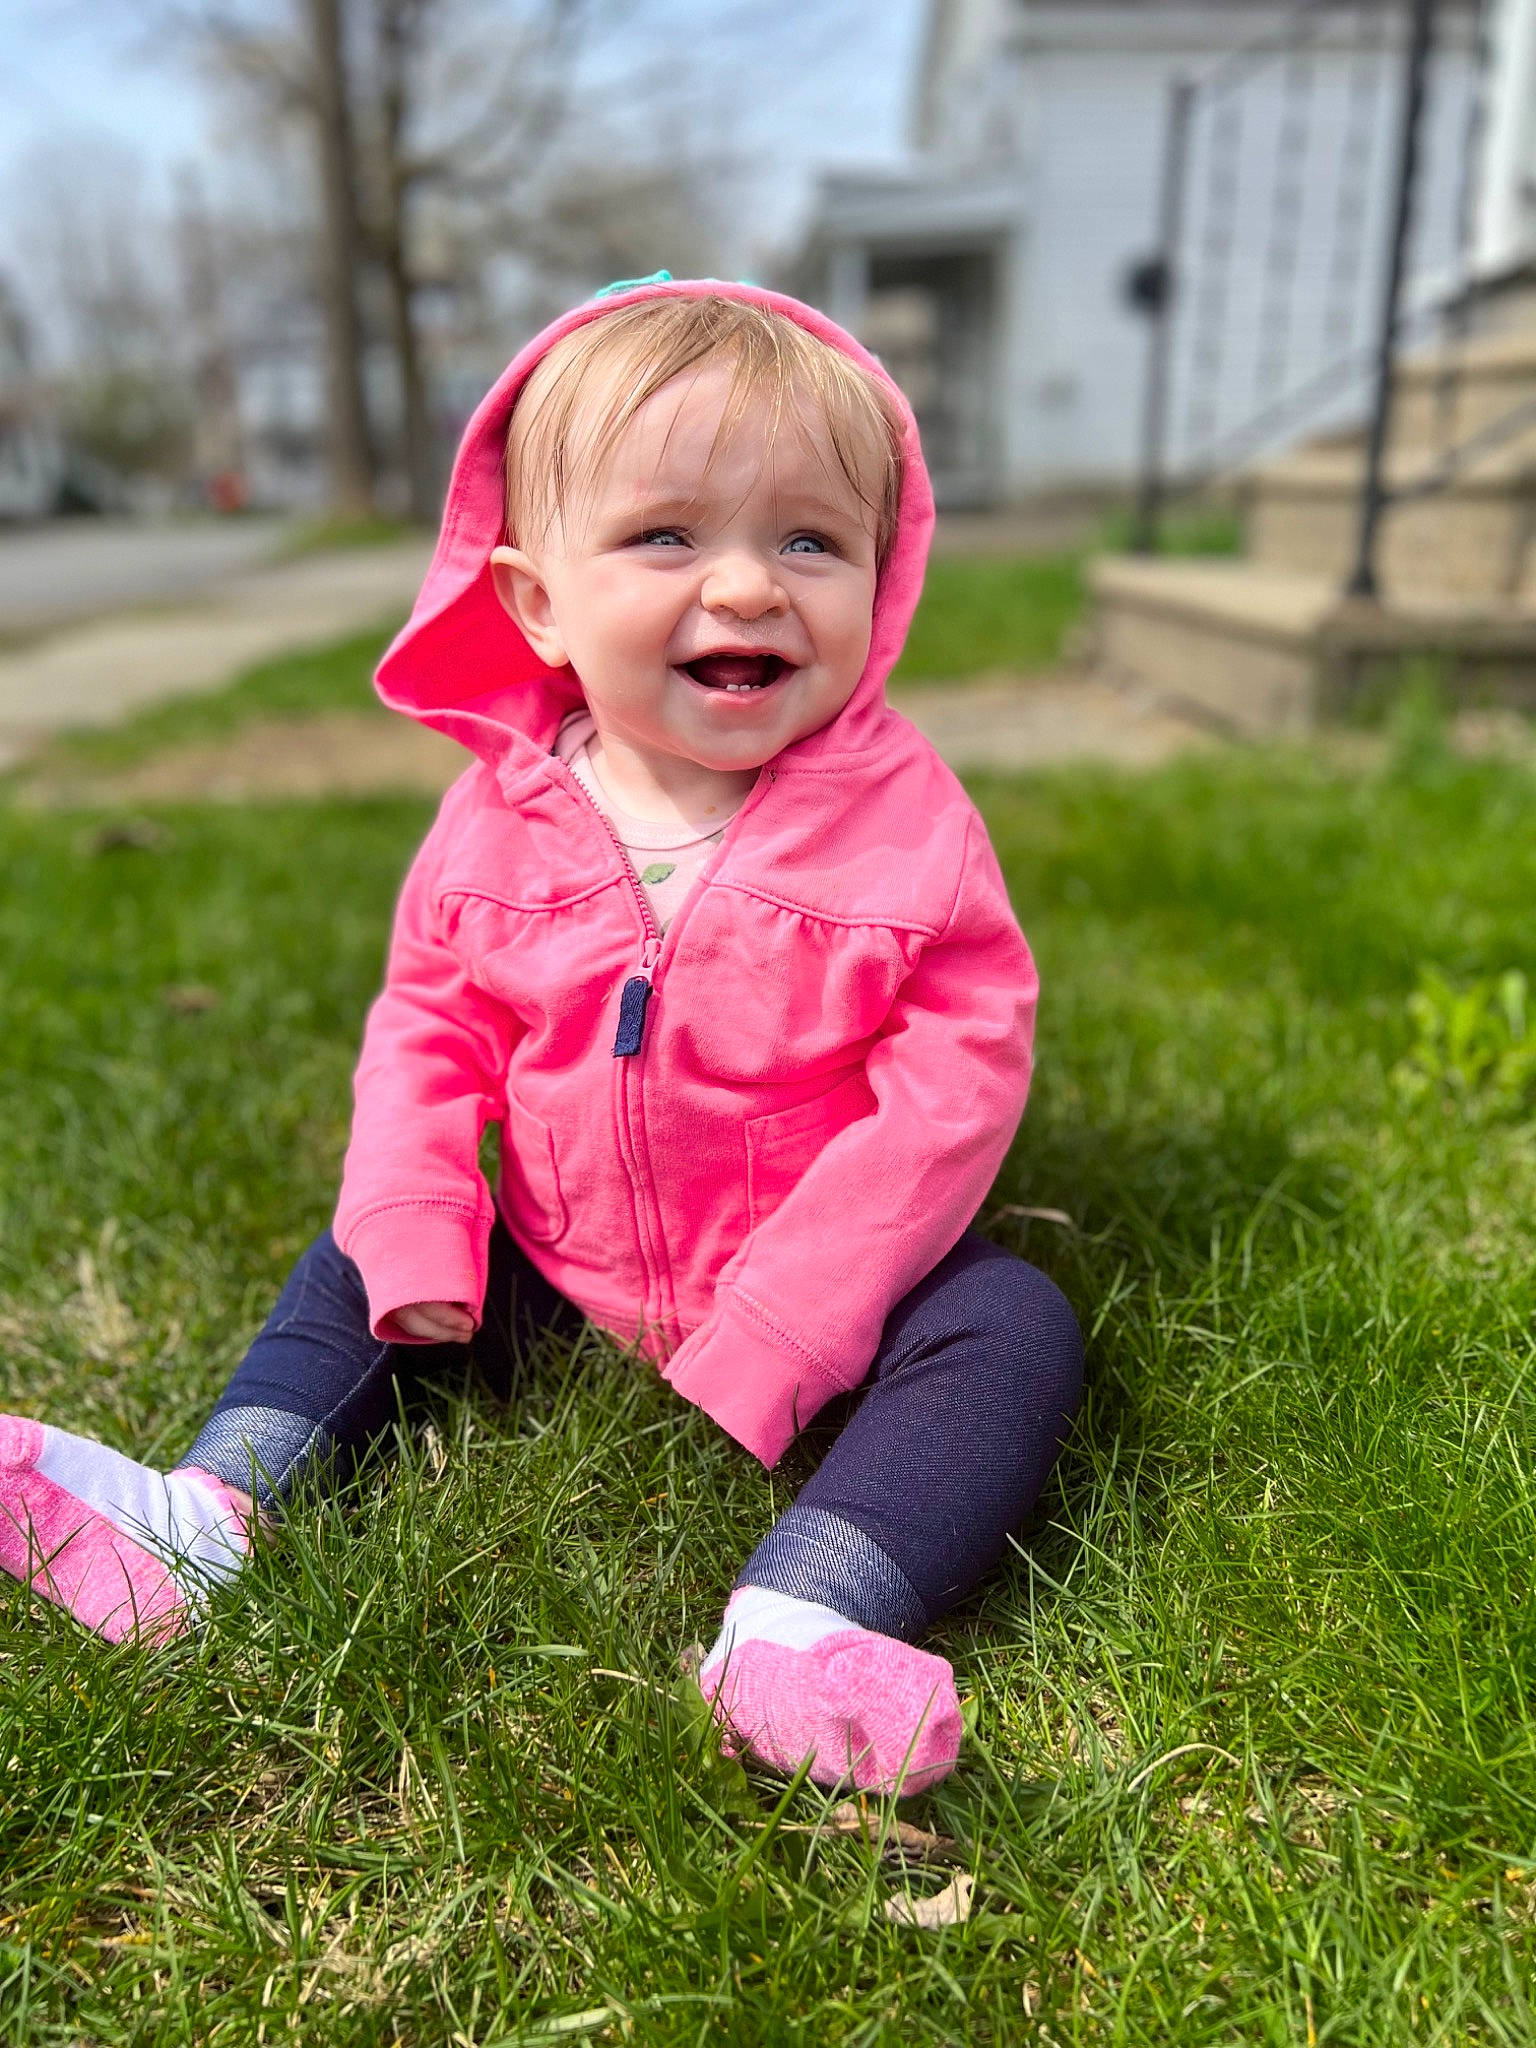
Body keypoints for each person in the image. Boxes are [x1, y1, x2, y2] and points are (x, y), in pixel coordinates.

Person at [0, 278, 1082, 1796]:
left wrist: (799, 1312)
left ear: (881, 576)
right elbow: (427, 1029)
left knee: (1011, 1325)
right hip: (562, 1259)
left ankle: (805, 1615)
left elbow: (957, 1076)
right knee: (359, 1257)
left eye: (809, 540)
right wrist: (421, 1223)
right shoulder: (496, 822)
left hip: (818, 1282)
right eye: (666, 535)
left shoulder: (903, 825)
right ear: (536, 603)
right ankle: (213, 1513)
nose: (751, 587)